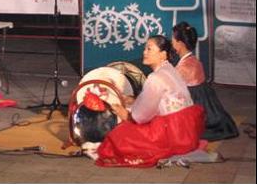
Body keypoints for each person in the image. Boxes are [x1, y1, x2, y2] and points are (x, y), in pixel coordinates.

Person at [96, 35, 205, 167]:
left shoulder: (155, 77)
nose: (144, 52)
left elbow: (140, 117)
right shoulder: (170, 69)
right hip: (187, 131)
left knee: (117, 137)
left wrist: (123, 113)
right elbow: (159, 101)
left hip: (172, 133)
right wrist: (134, 101)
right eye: (145, 49)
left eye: (149, 49)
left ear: (163, 54)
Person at [172, 22, 239, 141]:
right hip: (208, 106)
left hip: (196, 106)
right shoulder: (194, 61)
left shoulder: (184, 67)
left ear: (180, 44)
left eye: (173, 38)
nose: (171, 41)